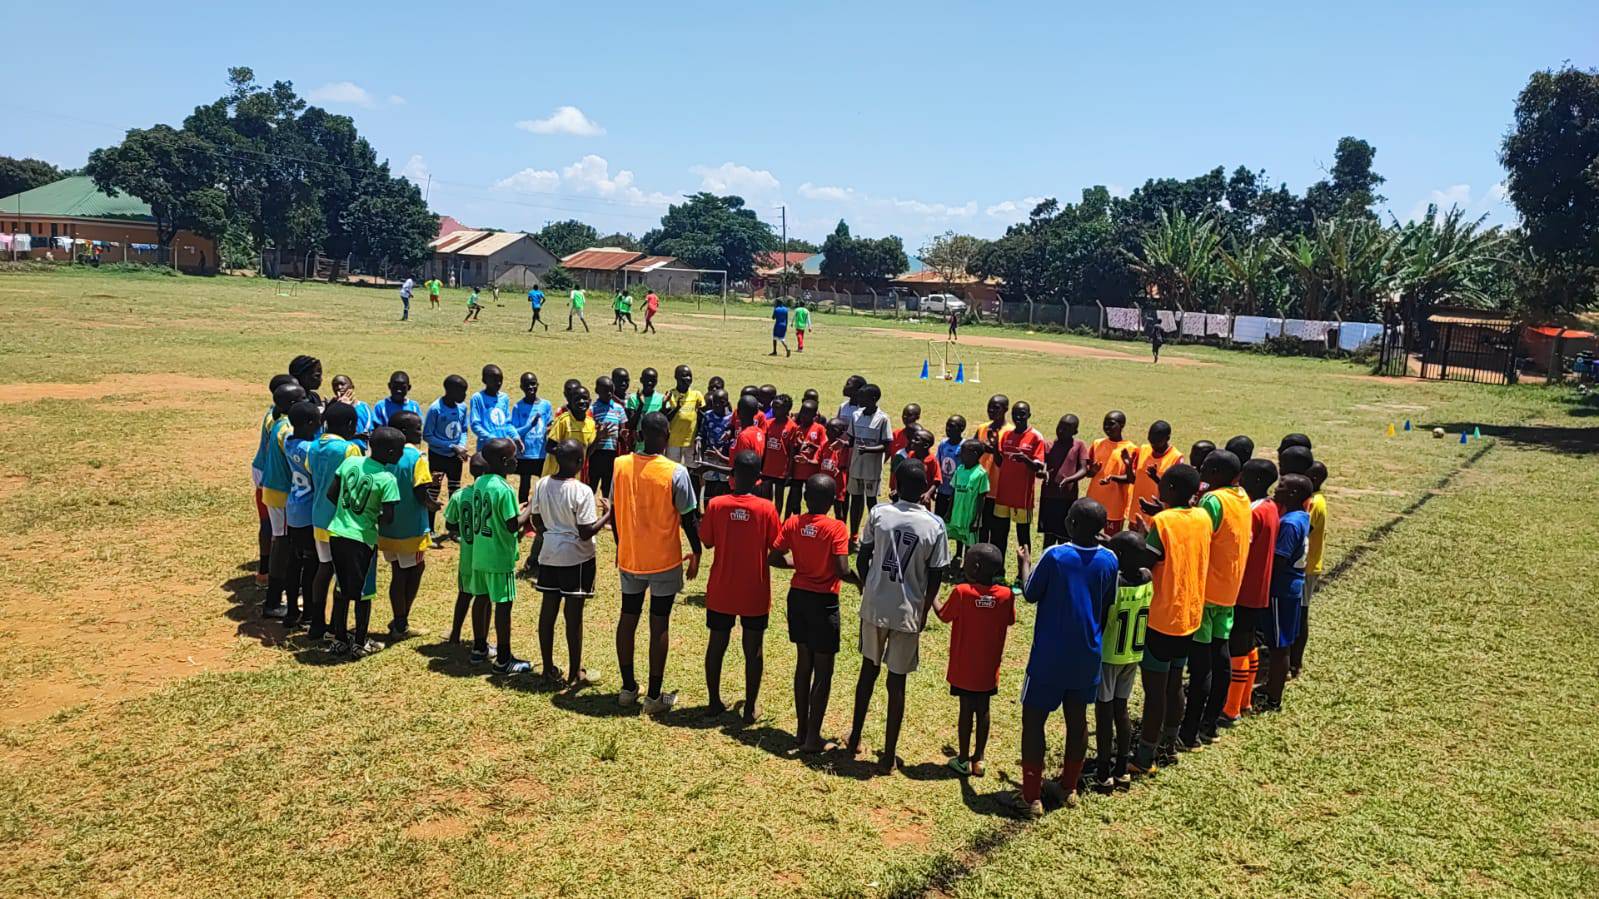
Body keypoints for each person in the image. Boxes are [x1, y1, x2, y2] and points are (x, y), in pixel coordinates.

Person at [1011, 497, 1118, 815]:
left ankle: (1031, 797)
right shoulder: (1110, 559)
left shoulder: (1055, 555)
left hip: (1049, 655)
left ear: (1071, 523)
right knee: (1077, 718)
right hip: (1088, 653)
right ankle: (1069, 787)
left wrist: (1023, 564)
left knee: (1033, 720)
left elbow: (1030, 593)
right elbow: (1106, 603)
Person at [846, 460, 950, 773]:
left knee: (868, 671)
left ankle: (854, 738)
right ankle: (889, 755)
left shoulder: (879, 513)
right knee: (897, 682)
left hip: (876, 606)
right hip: (908, 611)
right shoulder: (934, 525)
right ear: (925, 489)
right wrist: (925, 610)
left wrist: (868, 587)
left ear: (895, 485)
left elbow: (863, 558)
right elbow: (937, 574)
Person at [611, 413, 703, 715]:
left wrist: (621, 545)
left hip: (630, 557)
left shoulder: (620, 465)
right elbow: (689, 518)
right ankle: (653, 696)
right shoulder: (676, 472)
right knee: (659, 622)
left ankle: (627, 689)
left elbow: (615, 511)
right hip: (664, 559)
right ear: (667, 437)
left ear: (640, 435)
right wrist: (697, 552)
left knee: (628, 617)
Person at [1130, 464, 1212, 775]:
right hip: (1189, 615)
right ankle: (1169, 745)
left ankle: (1144, 757)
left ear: (1172, 489)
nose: (1159, 488)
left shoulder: (1162, 523)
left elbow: (1145, 562)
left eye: (1163, 484)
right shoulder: (1202, 517)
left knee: (1155, 691)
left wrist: (1141, 535)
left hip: (1162, 617)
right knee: (1175, 683)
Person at [769, 474, 852, 751]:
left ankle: (801, 730)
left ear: (805, 498)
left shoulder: (793, 523)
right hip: (823, 602)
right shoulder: (836, 528)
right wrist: (859, 582)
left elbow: (774, 556)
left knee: (803, 664)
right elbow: (842, 569)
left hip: (798, 598)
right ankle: (813, 737)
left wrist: (798, 564)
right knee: (823, 671)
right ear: (832, 501)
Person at [700, 450, 783, 721]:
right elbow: (776, 547)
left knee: (716, 644)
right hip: (754, 591)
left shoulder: (716, 505)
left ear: (732, 475)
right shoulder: (767, 508)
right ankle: (749, 708)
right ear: (759, 478)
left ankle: (714, 702)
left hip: (721, 589)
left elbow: (707, 541)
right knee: (753, 649)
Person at [1179, 450, 1251, 748]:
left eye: (1207, 468)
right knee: (1221, 657)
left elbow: (1196, 533)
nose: (1201, 472)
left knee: (1201, 666)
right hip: (1228, 591)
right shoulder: (1242, 497)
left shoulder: (1213, 500)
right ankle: (1210, 725)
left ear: (1219, 474)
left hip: (1206, 592)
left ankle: (1190, 732)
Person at [531, 439, 610, 687]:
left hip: (549, 554)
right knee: (573, 616)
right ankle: (575, 672)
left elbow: (536, 519)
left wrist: (551, 534)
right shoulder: (582, 491)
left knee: (548, 611)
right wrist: (610, 514)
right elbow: (586, 532)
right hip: (577, 558)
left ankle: (547, 668)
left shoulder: (542, 483)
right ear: (580, 462)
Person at [935, 542, 1015, 779]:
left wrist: (933, 597)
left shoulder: (962, 592)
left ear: (976, 567)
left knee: (966, 710)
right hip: (988, 668)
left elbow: (943, 615)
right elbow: (1010, 620)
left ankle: (962, 759)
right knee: (983, 709)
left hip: (964, 667)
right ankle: (979, 759)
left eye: (967, 562)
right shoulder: (1006, 595)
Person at [325, 427, 404, 657]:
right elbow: (388, 517)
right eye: (399, 450)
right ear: (390, 452)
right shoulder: (387, 479)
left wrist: (347, 514)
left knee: (341, 587)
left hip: (337, 532)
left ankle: (339, 639)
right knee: (364, 593)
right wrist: (368, 517)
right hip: (362, 539)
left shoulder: (350, 462)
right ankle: (360, 642)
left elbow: (331, 494)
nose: (401, 454)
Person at [1223, 458, 1280, 723]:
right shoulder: (1270, 507)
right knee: (1248, 644)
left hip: (1244, 588)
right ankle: (1244, 700)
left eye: (1244, 476)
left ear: (1256, 480)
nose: (1240, 480)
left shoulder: (1254, 512)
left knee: (1238, 647)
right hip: (1258, 589)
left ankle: (1231, 708)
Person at [1096, 530, 1153, 791]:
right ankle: (1122, 769)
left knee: (1104, 712)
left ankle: (1103, 772)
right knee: (1122, 710)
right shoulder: (1147, 577)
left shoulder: (1113, 582)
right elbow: (1131, 555)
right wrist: (1113, 544)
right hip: (1133, 652)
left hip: (1110, 655)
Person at [473, 438, 536, 675]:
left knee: (481, 599)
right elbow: (512, 525)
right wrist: (529, 508)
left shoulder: (480, 482)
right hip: (499, 556)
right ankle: (503, 659)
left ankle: (479, 648)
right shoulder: (504, 488)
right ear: (503, 461)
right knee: (503, 605)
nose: (516, 461)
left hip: (480, 552)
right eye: (513, 457)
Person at [378, 410, 440, 639]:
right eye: (417, 428)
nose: (420, 432)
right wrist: (432, 505)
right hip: (411, 528)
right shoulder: (417, 457)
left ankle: (399, 619)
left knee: (398, 570)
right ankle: (400, 622)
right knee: (412, 571)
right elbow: (420, 492)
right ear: (403, 432)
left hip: (387, 527)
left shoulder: (382, 454)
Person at [306, 402, 363, 640]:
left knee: (324, 567)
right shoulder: (350, 449)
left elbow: (311, 472)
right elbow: (356, 479)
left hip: (318, 516)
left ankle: (316, 622)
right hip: (341, 521)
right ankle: (336, 627)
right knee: (343, 575)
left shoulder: (313, 446)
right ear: (349, 425)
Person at [1263, 474, 1313, 712]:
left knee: (1278, 645)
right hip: (1292, 587)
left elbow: (1278, 561)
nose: (1276, 488)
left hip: (1281, 589)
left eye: (1282, 486)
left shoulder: (1290, 524)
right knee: (1281, 643)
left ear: (1293, 494)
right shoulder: (1302, 516)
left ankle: (1273, 699)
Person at [259, 380, 306, 619]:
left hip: (273, 490)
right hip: (283, 494)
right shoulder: (287, 429)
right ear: (292, 404)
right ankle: (274, 600)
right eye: (302, 399)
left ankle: (279, 594)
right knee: (283, 543)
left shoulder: (278, 421)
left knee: (283, 541)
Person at [252, 373, 299, 587]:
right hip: (278, 484)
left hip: (269, 479)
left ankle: (267, 574)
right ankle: (276, 585)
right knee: (282, 537)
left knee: (275, 531)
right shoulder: (285, 428)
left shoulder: (275, 416)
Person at [281, 400, 322, 630]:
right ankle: (308, 614)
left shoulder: (289, 442)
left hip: (294, 508)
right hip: (309, 513)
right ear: (309, 423)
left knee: (294, 562)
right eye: (317, 421)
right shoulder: (311, 450)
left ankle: (291, 612)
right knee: (311, 564)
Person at [991, 401, 1047, 560]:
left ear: (1029, 415)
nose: (1018, 417)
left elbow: (1038, 467)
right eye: (1015, 414)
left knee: (1023, 536)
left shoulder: (1036, 437)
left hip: (1022, 497)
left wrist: (1025, 459)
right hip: (1003, 494)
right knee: (999, 533)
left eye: (1022, 414)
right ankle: (998, 569)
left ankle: (1023, 570)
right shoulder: (1006, 435)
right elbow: (1000, 463)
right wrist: (994, 447)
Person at [443, 455, 487, 659]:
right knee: (484, 599)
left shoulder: (459, 495)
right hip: (486, 554)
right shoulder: (489, 495)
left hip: (467, 555)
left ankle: (455, 634)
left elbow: (450, 524)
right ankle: (481, 641)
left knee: (464, 594)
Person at [423, 375, 471, 542]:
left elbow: (463, 429)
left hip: (455, 457)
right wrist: (451, 446)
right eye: (462, 392)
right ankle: (429, 528)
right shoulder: (435, 409)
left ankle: (453, 528)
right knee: (433, 491)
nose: (465, 395)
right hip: (438, 456)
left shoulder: (462, 408)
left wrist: (461, 446)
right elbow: (427, 435)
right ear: (450, 391)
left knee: (455, 492)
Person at [845, 384, 891, 546]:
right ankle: (853, 535)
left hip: (872, 470)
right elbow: (851, 439)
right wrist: (841, 443)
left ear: (873, 399)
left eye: (862, 397)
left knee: (871, 502)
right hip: (856, 467)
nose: (859, 399)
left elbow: (886, 445)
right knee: (855, 501)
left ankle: (873, 537)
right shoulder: (856, 415)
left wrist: (868, 449)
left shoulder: (883, 419)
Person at [1295, 461, 1328, 678]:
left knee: (1301, 613)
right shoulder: (1315, 499)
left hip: (1307, 568)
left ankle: (1295, 661)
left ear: (1314, 479)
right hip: (1307, 566)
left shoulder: (1314, 503)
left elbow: (1304, 531)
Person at [1040, 414, 1090, 548]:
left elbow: (1084, 469)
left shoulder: (1078, 446)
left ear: (1075, 431)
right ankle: (1047, 558)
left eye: (1066, 429)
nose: (1061, 431)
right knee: (1048, 536)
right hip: (1049, 496)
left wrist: (1069, 479)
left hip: (1068, 498)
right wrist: (1043, 472)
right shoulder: (1048, 445)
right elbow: (1042, 465)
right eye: (1060, 427)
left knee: (1065, 535)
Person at [1085, 411, 1137, 535]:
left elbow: (1131, 478)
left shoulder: (1131, 448)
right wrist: (1092, 471)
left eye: (1111, 424)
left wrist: (1113, 477)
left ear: (1122, 425)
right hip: (1094, 500)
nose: (1107, 427)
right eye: (1105, 423)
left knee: (1111, 539)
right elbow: (1087, 472)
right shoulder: (1097, 444)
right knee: (1089, 536)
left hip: (1115, 505)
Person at [511, 372, 554, 507]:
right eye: (527, 385)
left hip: (541, 453)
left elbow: (550, 425)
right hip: (525, 454)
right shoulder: (518, 407)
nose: (530, 387)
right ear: (521, 387)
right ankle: (522, 511)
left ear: (538, 385)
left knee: (544, 485)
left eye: (533, 384)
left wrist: (549, 428)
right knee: (525, 484)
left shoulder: (546, 405)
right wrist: (530, 425)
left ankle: (542, 511)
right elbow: (515, 432)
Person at [946, 439, 989, 572]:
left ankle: (967, 566)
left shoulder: (981, 473)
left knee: (969, 542)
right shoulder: (959, 469)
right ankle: (957, 558)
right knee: (956, 536)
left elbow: (982, 497)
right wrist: (949, 511)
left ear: (974, 454)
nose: (960, 455)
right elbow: (954, 491)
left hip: (969, 516)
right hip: (956, 513)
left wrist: (977, 519)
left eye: (963, 452)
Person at [1130, 420, 1183, 529]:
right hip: (1136, 512)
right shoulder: (1143, 450)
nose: (1153, 445)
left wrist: (1156, 478)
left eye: (1157, 442)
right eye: (1151, 440)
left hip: (1157, 516)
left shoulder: (1176, 458)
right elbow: (1133, 479)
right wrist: (1128, 465)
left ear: (1167, 438)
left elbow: (1174, 490)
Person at [974, 395, 1011, 547]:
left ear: (1006, 409)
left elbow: (1003, 463)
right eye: (989, 407)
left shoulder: (1010, 432)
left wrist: (995, 449)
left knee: (999, 533)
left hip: (1000, 491)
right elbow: (972, 453)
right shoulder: (982, 428)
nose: (991, 410)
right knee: (981, 530)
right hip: (981, 489)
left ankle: (998, 561)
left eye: (996, 408)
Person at [542, 386, 599, 485]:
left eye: (585, 398)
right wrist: (569, 456)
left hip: (575, 478)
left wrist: (598, 438)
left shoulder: (591, 423)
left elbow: (587, 453)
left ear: (590, 401)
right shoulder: (563, 421)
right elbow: (550, 447)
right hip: (555, 475)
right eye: (577, 399)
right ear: (570, 402)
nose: (581, 402)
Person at [785, 399, 828, 518]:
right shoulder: (797, 429)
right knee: (795, 499)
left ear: (814, 415)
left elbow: (823, 447)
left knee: (811, 497)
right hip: (798, 472)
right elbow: (792, 449)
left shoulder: (819, 429)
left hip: (812, 471)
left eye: (807, 413)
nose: (804, 416)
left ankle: (810, 518)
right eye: (802, 412)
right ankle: (796, 518)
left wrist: (810, 445)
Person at [587, 376, 627, 498]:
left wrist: (623, 434)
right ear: (597, 391)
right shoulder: (592, 409)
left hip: (612, 453)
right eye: (605, 390)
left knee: (608, 489)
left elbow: (622, 428)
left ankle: (607, 509)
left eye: (611, 390)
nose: (609, 393)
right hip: (596, 453)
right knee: (591, 487)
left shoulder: (618, 408)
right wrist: (598, 434)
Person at [696, 389, 735, 508]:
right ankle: (708, 513)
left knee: (725, 487)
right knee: (709, 488)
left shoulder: (732, 417)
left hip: (724, 458)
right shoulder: (708, 415)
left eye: (721, 402)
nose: (717, 405)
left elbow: (735, 436)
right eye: (715, 402)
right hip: (710, 457)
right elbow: (702, 433)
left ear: (726, 402)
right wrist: (698, 441)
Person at [662, 365, 704, 467]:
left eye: (690, 376)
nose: (688, 378)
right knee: (672, 468)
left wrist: (699, 435)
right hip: (673, 441)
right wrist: (676, 408)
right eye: (685, 376)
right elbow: (666, 418)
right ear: (676, 377)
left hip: (690, 441)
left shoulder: (697, 395)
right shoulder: (670, 394)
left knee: (693, 468)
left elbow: (702, 416)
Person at [758, 395, 796, 508]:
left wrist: (790, 471)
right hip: (767, 468)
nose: (774, 410)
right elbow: (763, 446)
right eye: (773, 407)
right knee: (765, 496)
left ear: (786, 409)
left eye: (777, 407)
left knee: (779, 497)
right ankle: (766, 516)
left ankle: (776, 517)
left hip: (781, 470)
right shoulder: (768, 423)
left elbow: (792, 451)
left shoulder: (792, 427)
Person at [469, 365, 516, 452]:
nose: (498, 383)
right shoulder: (478, 398)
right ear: (484, 380)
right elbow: (475, 425)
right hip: (486, 447)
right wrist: (491, 438)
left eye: (500, 380)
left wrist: (516, 437)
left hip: (503, 446)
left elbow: (507, 423)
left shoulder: (504, 398)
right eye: (495, 380)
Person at [817, 416, 851, 521]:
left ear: (842, 433)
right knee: (821, 508)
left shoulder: (843, 447)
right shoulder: (824, 445)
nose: (829, 433)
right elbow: (818, 460)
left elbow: (845, 464)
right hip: (824, 483)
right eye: (828, 429)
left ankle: (841, 527)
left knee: (838, 510)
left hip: (838, 484)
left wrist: (839, 468)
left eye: (833, 431)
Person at [625, 368, 667, 452]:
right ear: (641, 380)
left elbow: (664, 421)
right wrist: (641, 405)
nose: (650, 383)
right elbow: (631, 424)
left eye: (653, 380)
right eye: (647, 380)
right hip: (639, 443)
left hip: (656, 444)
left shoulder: (661, 398)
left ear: (656, 381)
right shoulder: (634, 398)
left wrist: (664, 405)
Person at [934, 415, 966, 525]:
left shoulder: (964, 446)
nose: (947, 429)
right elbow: (938, 463)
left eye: (952, 426)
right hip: (943, 490)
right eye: (947, 425)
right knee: (939, 520)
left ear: (961, 428)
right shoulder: (943, 444)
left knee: (954, 521)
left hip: (957, 492)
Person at [328, 375, 373, 447]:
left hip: (359, 450)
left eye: (342, 384)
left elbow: (369, 431)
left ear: (352, 387)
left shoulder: (364, 407)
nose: (339, 387)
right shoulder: (331, 408)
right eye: (335, 385)